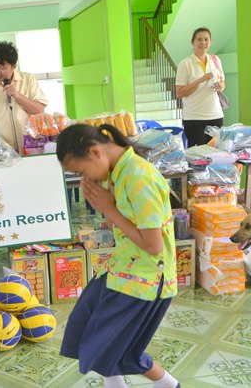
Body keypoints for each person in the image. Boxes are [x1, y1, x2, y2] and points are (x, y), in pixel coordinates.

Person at [56, 124, 180, 388]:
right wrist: (106, 208)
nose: (83, 178)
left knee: (115, 347)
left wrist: (108, 209)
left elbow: (153, 244)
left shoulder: (138, 176)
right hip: (121, 270)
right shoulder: (118, 173)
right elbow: (124, 225)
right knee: (88, 331)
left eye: (80, 171)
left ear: (95, 152)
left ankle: (168, 384)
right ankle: (166, 384)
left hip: (145, 280)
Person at [0, 41, 48, 152]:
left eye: (2, 67)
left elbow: (39, 110)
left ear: (14, 66)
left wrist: (17, 95)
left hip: (32, 146)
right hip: (3, 151)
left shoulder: (28, 79)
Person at [175, 27, 225, 146]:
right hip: (194, 119)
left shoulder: (215, 60)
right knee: (199, 158)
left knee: (216, 156)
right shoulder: (185, 64)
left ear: (210, 42)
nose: (203, 43)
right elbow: (180, 93)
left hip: (216, 116)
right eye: (199, 39)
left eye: (206, 39)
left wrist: (220, 85)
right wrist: (201, 80)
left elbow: (222, 82)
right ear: (193, 42)